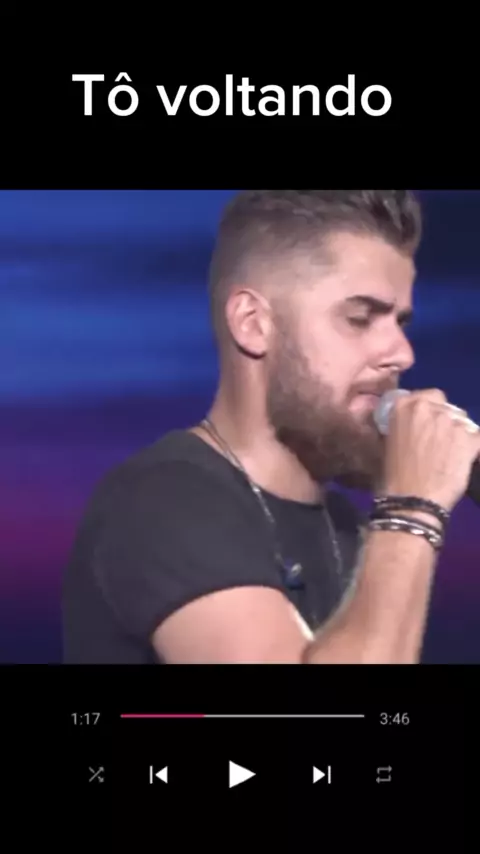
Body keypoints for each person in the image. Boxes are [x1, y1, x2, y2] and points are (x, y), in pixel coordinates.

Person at [62, 190, 480, 664]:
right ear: (253, 324)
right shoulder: (160, 499)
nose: (401, 353)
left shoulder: (352, 531)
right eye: (360, 318)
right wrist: (412, 510)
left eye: (400, 322)